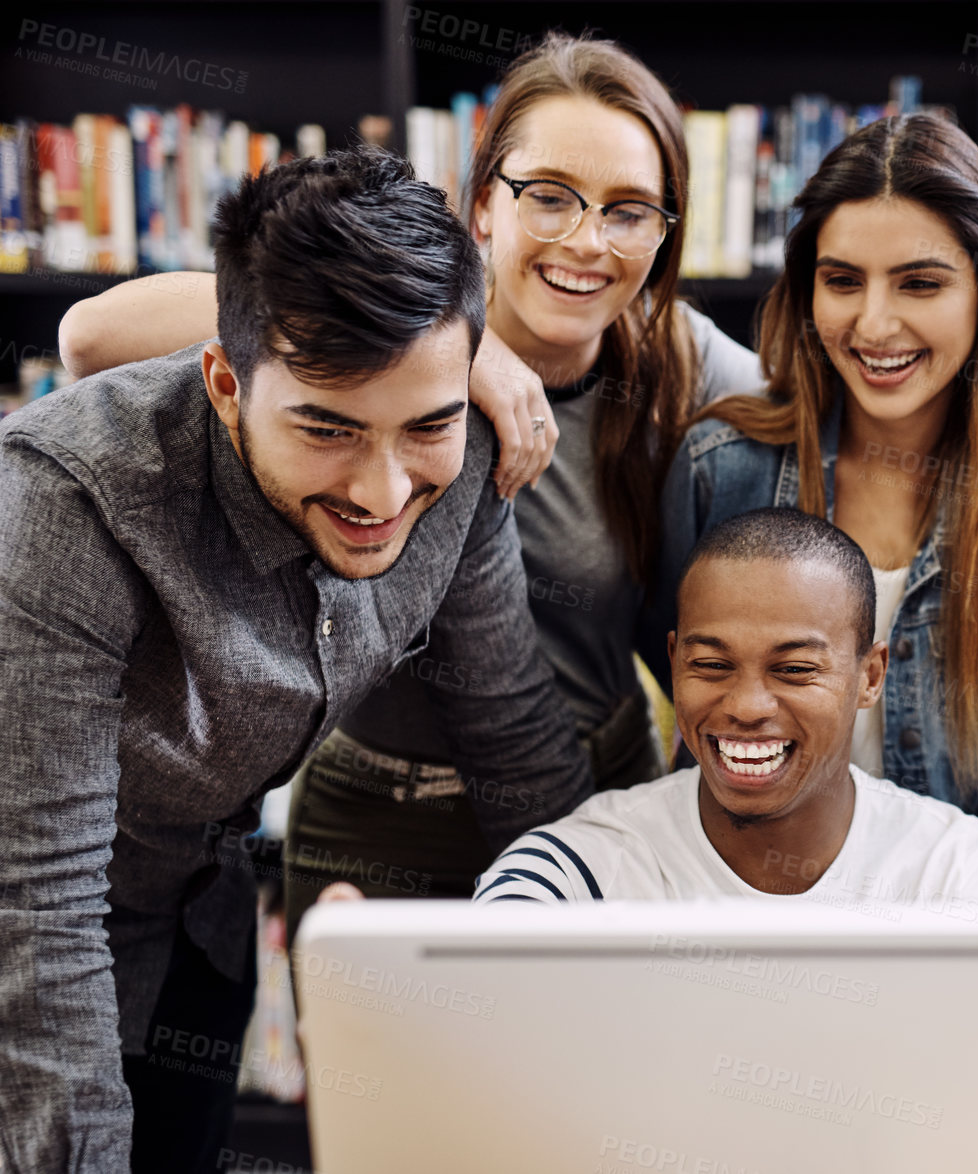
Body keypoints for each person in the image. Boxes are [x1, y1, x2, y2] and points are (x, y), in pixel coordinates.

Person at [58, 33, 763, 938]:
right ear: (481, 207)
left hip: (589, 795)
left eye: (630, 211)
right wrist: (470, 353)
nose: (588, 241)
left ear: (666, 231)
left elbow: (840, 428)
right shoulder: (391, 327)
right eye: (549, 197)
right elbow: (88, 338)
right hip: (375, 809)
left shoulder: (683, 366)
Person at [0, 148, 591, 1172]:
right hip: (42, 934)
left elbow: (517, 746)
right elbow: (39, 914)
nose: (381, 489)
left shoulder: (464, 463)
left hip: (203, 920)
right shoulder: (66, 503)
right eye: (326, 428)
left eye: (427, 426)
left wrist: (605, 1002)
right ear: (225, 385)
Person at [651, 113, 978, 896]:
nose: (873, 324)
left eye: (920, 283)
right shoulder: (720, 470)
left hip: (947, 932)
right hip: (728, 907)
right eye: (842, 280)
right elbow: (693, 728)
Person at [477, 508, 978, 906]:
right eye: (713, 666)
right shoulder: (571, 877)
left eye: (795, 669)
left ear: (869, 677)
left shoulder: (970, 882)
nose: (747, 707)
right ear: (674, 664)